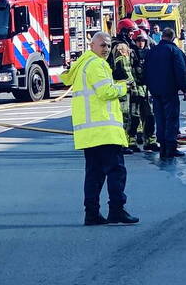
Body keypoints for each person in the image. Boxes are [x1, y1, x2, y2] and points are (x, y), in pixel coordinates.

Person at [60, 31, 139, 226]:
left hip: (90, 132)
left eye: (108, 45)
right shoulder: (97, 65)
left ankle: (92, 214)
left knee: (94, 175)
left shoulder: (84, 64)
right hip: (104, 130)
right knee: (116, 171)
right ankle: (117, 210)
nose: (106, 49)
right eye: (102, 45)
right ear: (92, 46)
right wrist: (123, 87)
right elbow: (106, 93)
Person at [144, 27, 186, 160]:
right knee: (171, 119)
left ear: (162, 36)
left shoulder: (151, 52)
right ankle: (171, 147)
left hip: (155, 92)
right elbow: (181, 70)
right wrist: (185, 88)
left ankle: (162, 144)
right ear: (173, 37)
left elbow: (145, 72)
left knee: (159, 118)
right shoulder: (174, 51)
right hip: (170, 91)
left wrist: (150, 88)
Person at [109, 19, 139, 153]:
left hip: (118, 85)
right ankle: (121, 144)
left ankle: (124, 142)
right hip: (122, 86)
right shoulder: (122, 47)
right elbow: (124, 68)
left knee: (125, 115)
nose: (132, 34)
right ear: (124, 32)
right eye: (130, 31)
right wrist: (133, 85)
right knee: (124, 115)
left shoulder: (117, 44)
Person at [130, 29, 158, 152]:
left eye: (142, 40)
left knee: (150, 116)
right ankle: (132, 141)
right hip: (135, 89)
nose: (140, 43)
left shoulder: (150, 54)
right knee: (134, 116)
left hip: (147, 89)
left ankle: (150, 141)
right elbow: (128, 72)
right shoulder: (131, 54)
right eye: (138, 40)